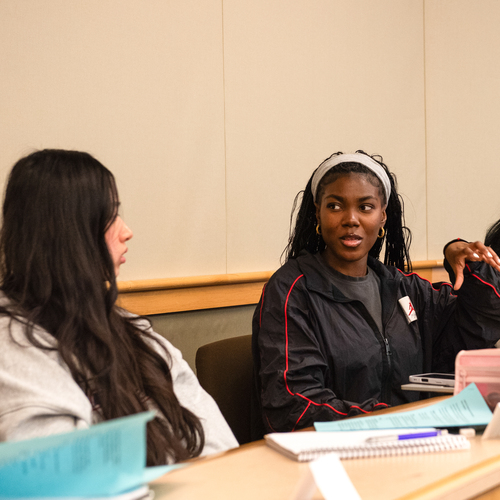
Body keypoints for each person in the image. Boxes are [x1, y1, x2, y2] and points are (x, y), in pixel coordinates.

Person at [0, 149, 238, 464]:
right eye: (109, 216)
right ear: (68, 233)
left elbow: (215, 444)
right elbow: (66, 477)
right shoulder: (13, 344)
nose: (127, 231)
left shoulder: (129, 329)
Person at [252, 151, 500, 435]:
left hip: (416, 446)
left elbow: (476, 329)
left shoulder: (405, 288)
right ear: (318, 213)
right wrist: (391, 422)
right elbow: (294, 404)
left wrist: (465, 256)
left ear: (383, 216)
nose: (351, 219)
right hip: (332, 459)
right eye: (335, 206)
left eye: (366, 207)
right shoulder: (291, 290)